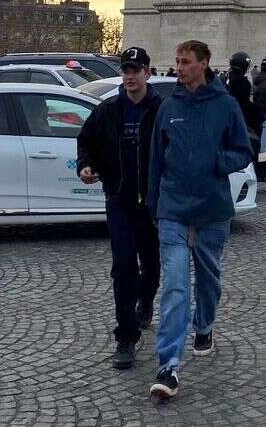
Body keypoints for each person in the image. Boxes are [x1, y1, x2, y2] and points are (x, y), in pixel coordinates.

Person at [147, 39, 254, 401]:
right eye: (176, 61)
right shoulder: (169, 106)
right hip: (173, 208)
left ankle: (204, 325)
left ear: (205, 64)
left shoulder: (226, 106)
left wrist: (217, 164)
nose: (179, 68)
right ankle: (168, 366)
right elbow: (155, 161)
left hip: (211, 207)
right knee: (176, 285)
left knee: (208, 278)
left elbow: (243, 150)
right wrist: (154, 205)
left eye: (186, 62)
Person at [76, 46, 164, 370]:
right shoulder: (108, 110)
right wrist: (85, 165)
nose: (129, 75)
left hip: (152, 204)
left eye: (135, 70)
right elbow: (86, 141)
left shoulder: (161, 110)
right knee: (124, 267)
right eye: (126, 70)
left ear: (148, 74)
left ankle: (147, 299)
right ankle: (126, 338)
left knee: (151, 265)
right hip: (119, 200)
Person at [225, 51, 258, 133]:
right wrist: (258, 109)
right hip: (238, 116)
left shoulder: (225, 76)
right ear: (244, 65)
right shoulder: (242, 81)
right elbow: (244, 103)